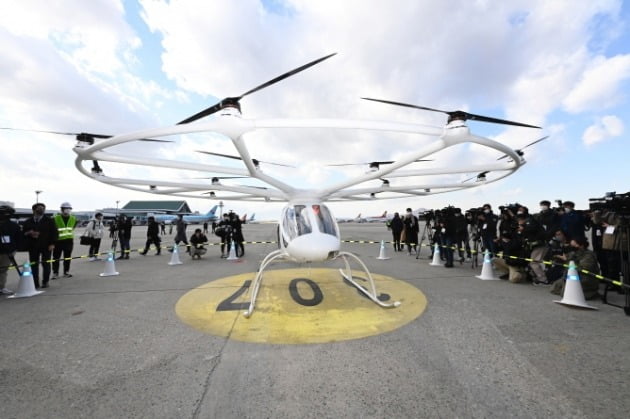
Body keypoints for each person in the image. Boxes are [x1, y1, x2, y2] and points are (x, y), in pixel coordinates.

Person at [22, 203, 58, 288]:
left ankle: (45, 281)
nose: (41, 210)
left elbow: (55, 233)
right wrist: (29, 233)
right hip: (33, 246)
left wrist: (53, 243)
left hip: (46, 246)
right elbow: (23, 233)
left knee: (46, 264)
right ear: (34, 210)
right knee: (34, 265)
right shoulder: (28, 221)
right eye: (39, 208)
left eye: (43, 208)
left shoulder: (50, 220)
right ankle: (35, 283)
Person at [0, 204, 22, 294]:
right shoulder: (14, 225)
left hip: (7, 252)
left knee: (3, 270)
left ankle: (1, 287)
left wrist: (14, 250)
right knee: (3, 270)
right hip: (7, 251)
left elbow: (18, 238)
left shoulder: (13, 226)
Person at [52, 202, 77, 278]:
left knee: (67, 257)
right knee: (56, 258)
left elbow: (72, 228)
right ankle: (55, 273)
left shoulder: (73, 218)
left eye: (69, 209)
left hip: (69, 241)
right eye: (66, 209)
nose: (68, 211)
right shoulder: (55, 218)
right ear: (62, 210)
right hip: (58, 241)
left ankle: (66, 272)